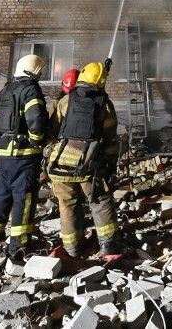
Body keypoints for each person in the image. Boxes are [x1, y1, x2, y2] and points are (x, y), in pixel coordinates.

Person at [46, 60, 120, 257]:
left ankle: (72, 249)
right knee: (100, 201)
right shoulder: (105, 104)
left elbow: (52, 130)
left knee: (67, 204)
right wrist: (110, 164)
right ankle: (108, 245)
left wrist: (49, 154)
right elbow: (110, 138)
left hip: (60, 164)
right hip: (89, 165)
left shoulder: (65, 100)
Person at [0, 54, 48, 259]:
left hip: (4, 155)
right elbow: (35, 118)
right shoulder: (30, 89)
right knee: (23, 198)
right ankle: (18, 246)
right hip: (24, 154)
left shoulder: (6, 89)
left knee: (2, 194)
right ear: (34, 70)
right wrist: (37, 140)